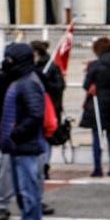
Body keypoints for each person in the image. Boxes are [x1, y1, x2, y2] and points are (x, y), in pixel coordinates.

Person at [0, 42, 47, 220]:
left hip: (25, 144)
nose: (5, 62)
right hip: (19, 145)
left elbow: (36, 114)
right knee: (22, 189)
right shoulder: (21, 80)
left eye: (9, 58)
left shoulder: (27, 82)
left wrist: (15, 133)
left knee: (27, 188)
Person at [82, 36, 110, 177]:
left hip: (98, 102)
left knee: (97, 136)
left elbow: (86, 85)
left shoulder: (95, 65)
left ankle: (98, 168)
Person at [30, 40, 66, 183]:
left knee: (46, 137)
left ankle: (44, 165)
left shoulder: (51, 66)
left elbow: (59, 86)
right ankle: (39, 164)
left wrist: (45, 81)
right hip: (35, 106)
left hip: (49, 106)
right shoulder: (30, 66)